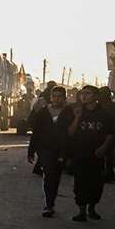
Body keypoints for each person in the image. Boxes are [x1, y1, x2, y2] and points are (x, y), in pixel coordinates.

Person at [67, 86, 115, 221]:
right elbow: (70, 133)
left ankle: (92, 208)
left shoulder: (105, 114)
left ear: (96, 97)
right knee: (80, 183)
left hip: (97, 154)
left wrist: (104, 148)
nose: (84, 96)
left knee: (96, 183)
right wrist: (77, 118)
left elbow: (111, 134)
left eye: (88, 94)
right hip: (80, 153)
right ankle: (81, 211)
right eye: (82, 94)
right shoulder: (76, 112)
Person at [26, 85, 73, 216]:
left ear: (64, 98)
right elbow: (36, 132)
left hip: (62, 150)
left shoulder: (70, 112)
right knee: (48, 174)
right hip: (45, 149)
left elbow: (72, 133)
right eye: (54, 96)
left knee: (55, 176)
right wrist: (31, 151)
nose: (56, 99)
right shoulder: (43, 112)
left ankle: (51, 201)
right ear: (50, 97)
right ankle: (48, 205)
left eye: (59, 97)